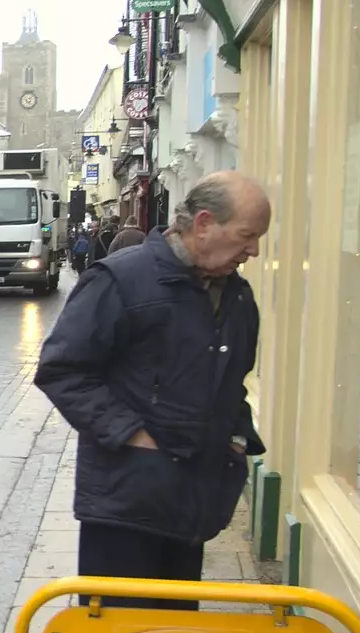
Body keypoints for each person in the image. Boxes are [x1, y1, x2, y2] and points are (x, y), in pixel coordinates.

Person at [34, 173, 271, 610]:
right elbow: (61, 370)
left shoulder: (236, 297)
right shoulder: (121, 281)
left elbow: (232, 381)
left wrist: (236, 440)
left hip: (193, 506)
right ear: (202, 224)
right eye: (247, 236)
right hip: (126, 508)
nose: (254, 250)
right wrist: (131, 435)